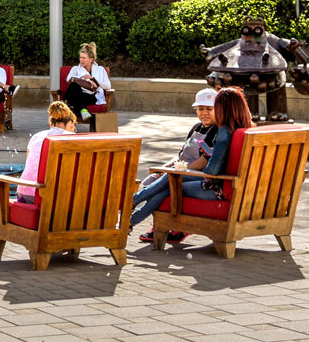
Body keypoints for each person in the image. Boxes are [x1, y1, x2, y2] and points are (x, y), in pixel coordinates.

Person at [128, 87, 255, 235]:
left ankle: (132, 207)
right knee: (172, 178)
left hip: (217, 187)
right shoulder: (246, 128)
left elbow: (212, 171)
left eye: (215, 107)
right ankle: (131, 216)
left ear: (224, 109)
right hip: (236, 185)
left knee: (171, 182)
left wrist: (206, 165)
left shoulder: (223, 132)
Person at [133, 88, 221, 243]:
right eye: (200, 109)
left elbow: (203, 161)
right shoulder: (196, 128)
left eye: (209, 109)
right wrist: (165, 168)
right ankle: (157, 223)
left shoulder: (217, 131)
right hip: (179, 169)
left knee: (166, 185)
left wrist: (178, 171)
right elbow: (181, 155)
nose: (204, 113)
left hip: (193, 173)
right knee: (151, 179)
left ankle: (155, 222)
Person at [15, 101, 77, 204]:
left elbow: (29, 166)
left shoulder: (36, 136)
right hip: (47, 196)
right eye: (74, 126)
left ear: (50, 123)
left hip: (24, 192)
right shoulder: (72, 139)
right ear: (71, 123)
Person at [63, 42, 112, 123]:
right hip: (79, 93)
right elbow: (69, 80)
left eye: (84, 58)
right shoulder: (76, 69)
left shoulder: (100, 69)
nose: (81, 60)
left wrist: (93, 79)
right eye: (80, 57)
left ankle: (67, 108)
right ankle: (83, 110)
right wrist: (85, 79)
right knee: (74, 86)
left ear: (91, 59)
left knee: (72, 99)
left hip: (91, 97)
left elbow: (108, 86)